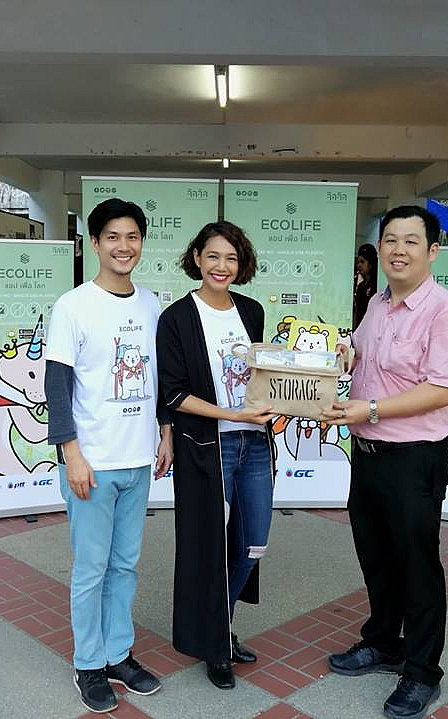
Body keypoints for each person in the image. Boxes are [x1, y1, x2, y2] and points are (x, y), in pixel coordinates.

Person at [322, 205, 448, 719]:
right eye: (390, 240)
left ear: (433, 250)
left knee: (417, 566)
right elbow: (366, 358)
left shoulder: (446, 312)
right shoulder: (378, 304)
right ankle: (383, 642)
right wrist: (347, 354)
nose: (398, 250)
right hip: (368, 456)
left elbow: (446, 389)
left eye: (411, 241)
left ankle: (423, 671)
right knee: (377, 558)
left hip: (414, 459)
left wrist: (370, 409)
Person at [45, 198, 173, 714]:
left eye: (133, 237)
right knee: (91, 568)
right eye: (113, 237)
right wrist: (71, 453)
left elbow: (161, 379)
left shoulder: (152, 305)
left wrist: (165, 433)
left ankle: (118, 654)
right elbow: (57, 387)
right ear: (94, 243)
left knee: (125, 565)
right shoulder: (72, 306)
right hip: (91, 463)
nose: (124, 246)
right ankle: (88, 664)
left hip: (137, 459)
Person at [156, 221, 276, 690]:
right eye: (213, 256)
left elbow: (264, 375)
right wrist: (232, 414)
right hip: (208, 447)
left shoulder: (252, 311)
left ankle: (219, 628)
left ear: (241, 264)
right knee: (208, 547)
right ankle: (215, 644)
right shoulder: (177, 318)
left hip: (254, 444)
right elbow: (174, 394)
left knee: (252, 542)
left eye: (231, 258)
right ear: (197, 259)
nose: (221, 266)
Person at [353, 243, 378, 328]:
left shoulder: (376, 285)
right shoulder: (361, 286)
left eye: (362, 262)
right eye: (358, 262)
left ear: (370, 264)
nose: (359, 265)